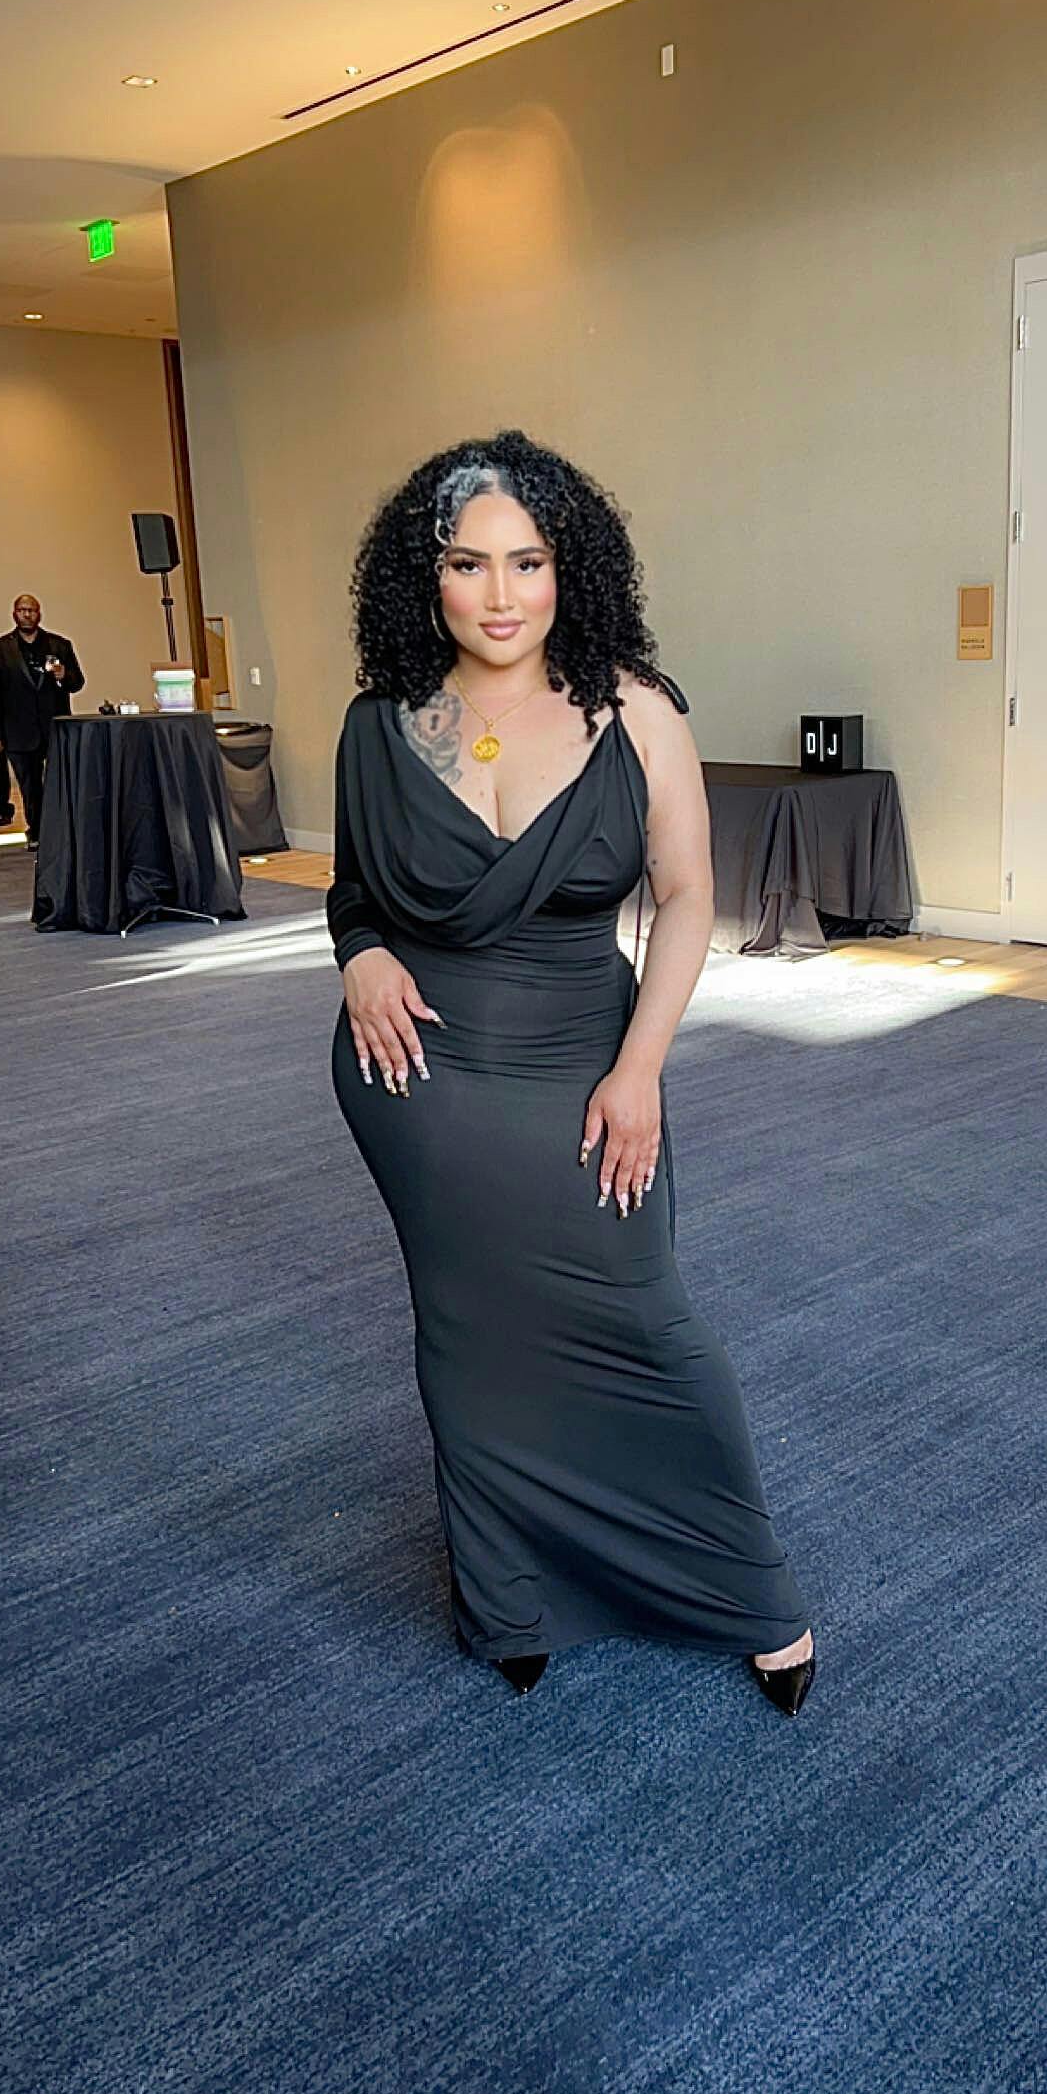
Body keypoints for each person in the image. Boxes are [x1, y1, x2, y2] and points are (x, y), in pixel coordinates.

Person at [328, 431, 816, 1717]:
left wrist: (640, 1067)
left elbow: (690, 895)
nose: (500, 595)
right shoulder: (380, 723)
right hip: (419, 1077)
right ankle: (515, 1595)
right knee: (470, 1337)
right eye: (467, 564)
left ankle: (747, 1592)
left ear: (569, 567)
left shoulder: (635, 709)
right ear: (425, 578)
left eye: (528, 561)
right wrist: (359, 955)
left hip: (585, 1061)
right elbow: (352, 891)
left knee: (647, 1318)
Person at [0, 595, 85, 847]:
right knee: (29, 786)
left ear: (39, 614)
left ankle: (61, 831)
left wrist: (64, 675)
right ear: (14, 614)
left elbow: (77, 683)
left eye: (31, 610)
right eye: (22, 610)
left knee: (60, 782)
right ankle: (37, 833)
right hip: (17, 729)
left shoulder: (59, 645)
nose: (27, 614)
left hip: (54, 726)